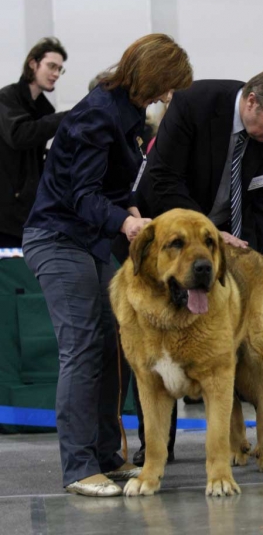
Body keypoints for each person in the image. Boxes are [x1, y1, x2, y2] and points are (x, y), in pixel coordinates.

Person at [22, 33, 193, 497]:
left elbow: (113, 186)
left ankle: (104, 456)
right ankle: (79, 467)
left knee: (110, 346)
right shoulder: (98, 114)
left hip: (89, 243)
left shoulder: (129, 114)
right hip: (58, 239)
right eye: (166, 85)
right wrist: (127, 223)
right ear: (152, 75)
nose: (167, 95)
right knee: (81, 347)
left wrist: (131, 210)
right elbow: (82, 195)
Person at [135, 69, 263, 462]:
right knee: (159, 337)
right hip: (180, 234)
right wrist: (209, 233)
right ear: (251, 101)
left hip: (242, 236)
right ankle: (156, 446)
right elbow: (162, 179)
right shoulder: (193, 103)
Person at [0, 37, 68, 247]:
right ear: (33, 64)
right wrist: (67, 117)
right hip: (6, 215)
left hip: (31, 214)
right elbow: (20, 135)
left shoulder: (44, 109)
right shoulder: (6, 98)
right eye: (51, 66)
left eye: (60, 69)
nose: (56, 74)